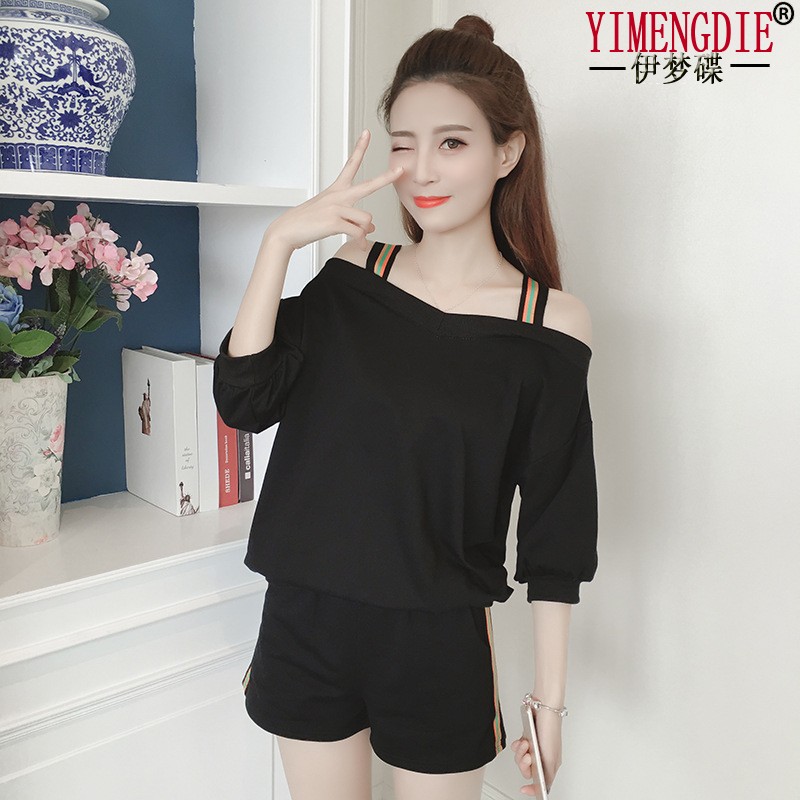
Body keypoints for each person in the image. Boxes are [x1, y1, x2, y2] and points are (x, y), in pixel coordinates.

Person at [212, 14, 598, 800]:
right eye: (403, 144)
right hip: (305, 622)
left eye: (452, 142)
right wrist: (278, 243)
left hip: (437, 643)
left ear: (508, 152)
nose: (421, 169)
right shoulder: (355, 273)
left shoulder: (549, 325)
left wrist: (548, 704)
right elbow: (245, 399)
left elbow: (556, 527)